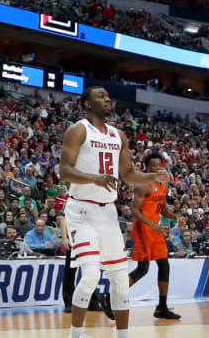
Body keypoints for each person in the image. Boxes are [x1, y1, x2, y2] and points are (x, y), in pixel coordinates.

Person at [61, 86, 171, 338]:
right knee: (89, 276)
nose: (107, 99)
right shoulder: (78, 130)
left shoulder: (118, 135)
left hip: (108, 213)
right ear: (87, 104)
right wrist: (94, 179)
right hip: (81, 210)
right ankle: (75, 336)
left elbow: (129, 174)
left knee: (121, 280)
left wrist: (155, 175)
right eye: (100, 96)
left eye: (108, 95)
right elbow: (64, 171)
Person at [104, 152, 180, 320]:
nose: (157, 168)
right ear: (147, 168)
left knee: (164, 265)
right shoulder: (143, 185)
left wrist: (176, 217)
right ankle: (109, 298)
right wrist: (153, 225)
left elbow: (162, 209)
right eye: (153, 166)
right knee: (142, 269)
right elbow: (134, 210)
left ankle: (162, 307)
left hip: (156, 229)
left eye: (159, 166)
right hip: (143, 229)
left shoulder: (162, 185)